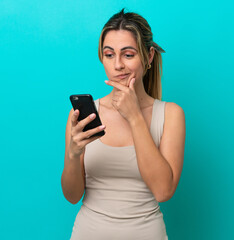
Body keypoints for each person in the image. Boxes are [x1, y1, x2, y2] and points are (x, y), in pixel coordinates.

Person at [61, 8, 185, 240]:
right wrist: (73, 154)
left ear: (148, 57)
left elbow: (163, 190)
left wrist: (135, 117)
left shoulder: (171, 114)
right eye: (109, 55)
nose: (118, 65)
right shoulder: (82, 115)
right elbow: (72, 195)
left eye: (128, 55)